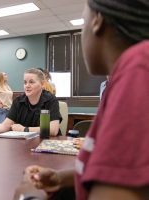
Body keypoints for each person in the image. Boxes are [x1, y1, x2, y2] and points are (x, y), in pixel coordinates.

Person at [17, 0, 149, 199]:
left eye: (82, 21)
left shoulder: (138, 69)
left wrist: (27, 195)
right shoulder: (127, 73)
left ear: (97, 20)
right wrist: (60, 178)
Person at [0, 68, 62, 137]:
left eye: (31, 82)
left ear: (42, 84)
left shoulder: (51, 100)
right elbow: (6, 125)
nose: (27, 85)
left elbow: (53, 130)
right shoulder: (18, 101)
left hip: (47, 142)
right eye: (25, 82)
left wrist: (24, 129)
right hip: (26, 144)